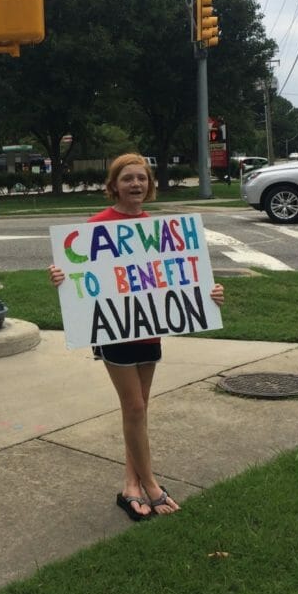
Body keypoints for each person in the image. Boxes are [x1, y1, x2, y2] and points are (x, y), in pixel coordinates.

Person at [49, 153, 225, 522]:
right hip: (115, 331)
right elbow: (84, 277)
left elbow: (178, 278)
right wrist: (62, 277)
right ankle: (152, 485)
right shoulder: (97, 226)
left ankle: (130, 485)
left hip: (149, 329)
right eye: (128, 179)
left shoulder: (158, 232)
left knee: (139, 409)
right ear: (113, 185)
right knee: (135, 408)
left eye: (142, 179)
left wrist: (209, 294)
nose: (136, 185)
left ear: (150, 185)